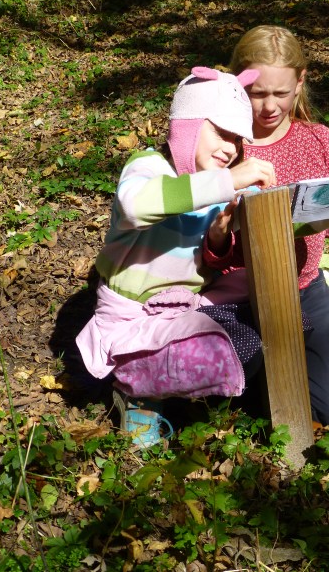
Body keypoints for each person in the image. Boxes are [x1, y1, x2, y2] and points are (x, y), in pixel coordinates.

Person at [76, 66, 276, 448]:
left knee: (269, 304)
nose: (230, 149)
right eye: (221, 132)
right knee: (215, 352)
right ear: (188, 125)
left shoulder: (210, 182)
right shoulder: (149, 167)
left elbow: (201, 266)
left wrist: (217, 238)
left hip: (182, 305)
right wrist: (228, 181)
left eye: (237, 139)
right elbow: (135, 206)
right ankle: (137, 386)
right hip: (134, 314)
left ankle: (184, 388)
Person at [203, 25, 329, 427]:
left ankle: (299, 366)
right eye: (257, 94)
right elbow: (196, 243)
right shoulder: (221, 144)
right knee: (264, 403)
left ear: (301, 82)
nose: (269, 107)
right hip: (235, 292)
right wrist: (221, 232)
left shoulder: (320, 141)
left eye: (280, 93)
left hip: (303, 286)